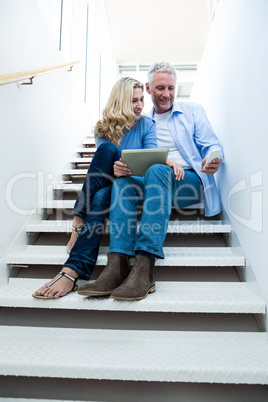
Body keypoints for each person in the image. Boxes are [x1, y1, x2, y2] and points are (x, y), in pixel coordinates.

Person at [78, 61, 223, 301]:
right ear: (148, 88)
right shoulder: (144, 121)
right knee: (123, 183)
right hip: (153, 182)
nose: (166, 94)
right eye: (160, 88)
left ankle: (145, 266)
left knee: (157, 169)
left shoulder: (193, 111)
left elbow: (212, 144)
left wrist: (213, 158)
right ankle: (118, 264)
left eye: (171, 88)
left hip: (188, 182)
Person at [32, 77, 157, 299]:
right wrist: (115, 168)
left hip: (133, 184)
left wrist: (128, 170)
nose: (139, 105)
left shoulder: (147, 125)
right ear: (120, 102)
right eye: (133, 101)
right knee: (107, 150)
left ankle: (74, 246)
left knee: (99, 197)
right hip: (109, 181)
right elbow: (103, 167)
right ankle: (72, 267)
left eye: (141, 100)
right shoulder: (103, 127)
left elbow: (150, 163)